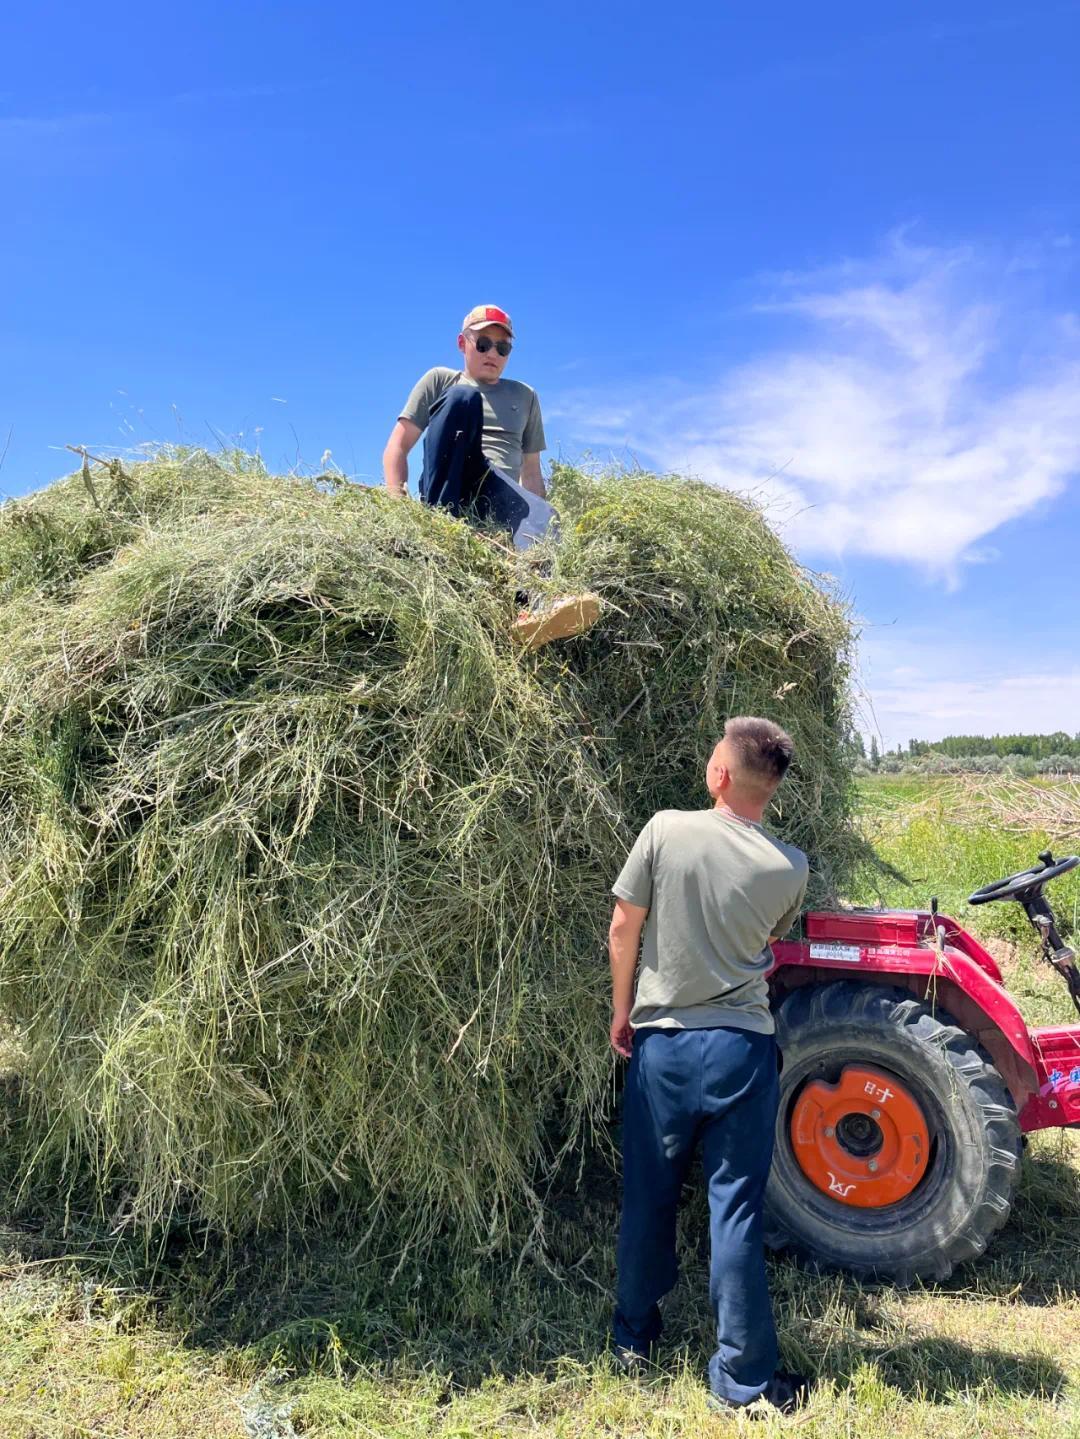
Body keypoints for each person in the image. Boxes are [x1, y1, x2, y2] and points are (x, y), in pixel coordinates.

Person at [608, 716, 810, 1415]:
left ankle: (633, 1339)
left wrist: (621, 1010)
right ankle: (743, 1379)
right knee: (735, 1212)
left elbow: (623, 925)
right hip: (743, 1052)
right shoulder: (791, 866)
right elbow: (765, 941)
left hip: (663, 1045)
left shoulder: (664, 828)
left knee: (649, 1198)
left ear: (720, 774)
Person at [382, 304, 599, 650]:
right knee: (464, 398)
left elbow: (531, 473)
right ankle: (442, 528)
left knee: (547, 516)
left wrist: (544, 523)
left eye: (503, 348)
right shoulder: (441, 380)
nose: (492, 354)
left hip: (494, 490)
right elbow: (397, 446)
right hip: (449, 481)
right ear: (462, 343)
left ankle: (531, 609)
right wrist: (398, 505)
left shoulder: (525, 396)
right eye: (483, 343)